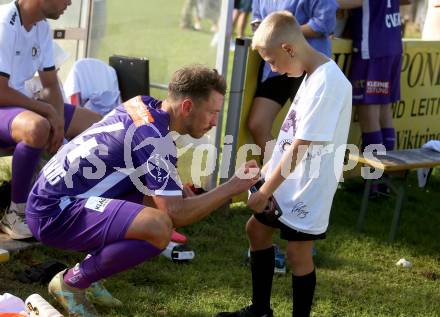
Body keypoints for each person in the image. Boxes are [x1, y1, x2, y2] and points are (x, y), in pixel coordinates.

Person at [26, 65, 260, 317]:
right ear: (188, 107)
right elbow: (176, 213)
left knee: (153, 199)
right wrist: (231, 187)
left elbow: (143, 161)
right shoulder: (156, 139)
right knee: (159, 227)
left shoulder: (142, 104)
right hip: (53, 213)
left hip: (48, 196)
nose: (214, 122)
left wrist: (178, 187)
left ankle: (90, 275)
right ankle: (73, 282)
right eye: (212, 113)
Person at [216, 11, 352, 317]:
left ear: (289, 48)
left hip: (308, 187)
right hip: (285, 180)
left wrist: (265, 192)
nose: (272, 68)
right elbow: (292, 134)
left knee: (297, 254)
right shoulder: (309, 75)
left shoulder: (328, 82)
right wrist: (267, 170)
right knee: (257, 231)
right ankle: (261, 310)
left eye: (272, 61)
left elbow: (303, 146)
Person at [0, 0, 101, 240]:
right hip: (4, 104)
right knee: (37, 127)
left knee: (98, 125)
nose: (70, 3)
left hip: (17, 106)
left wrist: (59, 126)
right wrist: (48, 113)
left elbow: (50, 83)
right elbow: (1, 91)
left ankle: (78, 199)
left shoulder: (41, 25)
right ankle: (16, 213)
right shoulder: (5, 22)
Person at [247, 0, 338, 162]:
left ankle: (290, 180)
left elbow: (324, 22)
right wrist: (266, 33)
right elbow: (256, 21)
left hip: (306, 65)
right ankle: (277, 177)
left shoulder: (326, 77)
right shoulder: (274, 65)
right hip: (275, 66)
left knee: (303, 132)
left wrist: (279, 34)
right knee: (257, 123)